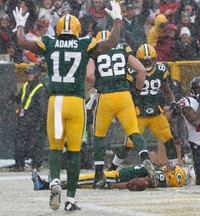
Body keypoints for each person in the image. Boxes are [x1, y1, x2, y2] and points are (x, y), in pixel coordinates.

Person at [13, 0, 123, 211]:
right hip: (75, 101)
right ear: (77, 29)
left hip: (56, 101)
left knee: (55, 148)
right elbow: (111, 42)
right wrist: (117, 20)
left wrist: (20, 25)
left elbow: (22, 42)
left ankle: (54, 180)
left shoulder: (49, 42)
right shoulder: (84, 44)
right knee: (74, 151)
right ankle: (70, 199)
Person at [85, 32, 159, 190]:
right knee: (134, 133)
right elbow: (141, 70)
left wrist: (102, 84)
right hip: (124, 96)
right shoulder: (123, 48)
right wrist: (136, 92)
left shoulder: (94, 51)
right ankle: (146, 160)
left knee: (99, 136)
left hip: (106, 97)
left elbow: (90, 76)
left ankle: (99, 173)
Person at [108, 44, 180, 172]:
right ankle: (112, 168)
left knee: (168, 139)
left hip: (155, 113)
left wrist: (173, 103)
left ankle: (176, 169)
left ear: (154, 59)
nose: (147, 63)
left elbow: (167, 90)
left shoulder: (161, 70)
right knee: (129, 144)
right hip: (138, 113)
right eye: (143, 61)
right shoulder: (132, 71)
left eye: (149, 60)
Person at [10, 65, 48, 172]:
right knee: (19, 143)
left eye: (31, 74)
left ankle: (35, 165)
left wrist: (41, 122)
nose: (29, 76)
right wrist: (13, 98)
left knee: (35, 144)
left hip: (34, 121)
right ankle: (19, 165)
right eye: (28, 74)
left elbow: (43, 108)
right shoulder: (26, 86)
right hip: (23, 120)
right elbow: (21, 98)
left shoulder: (41, 88)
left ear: (36, 75)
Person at [31, 164, 186, 190]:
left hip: (116, 178)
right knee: (82, 181)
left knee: (81, 181)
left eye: (173, 169)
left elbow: (136, 183)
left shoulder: (158, 177)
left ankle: (44, 185)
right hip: (115, 176)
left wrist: (112, 186)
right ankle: (48, 183)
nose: (170, 166)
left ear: (172, 176)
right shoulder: (159, 173)